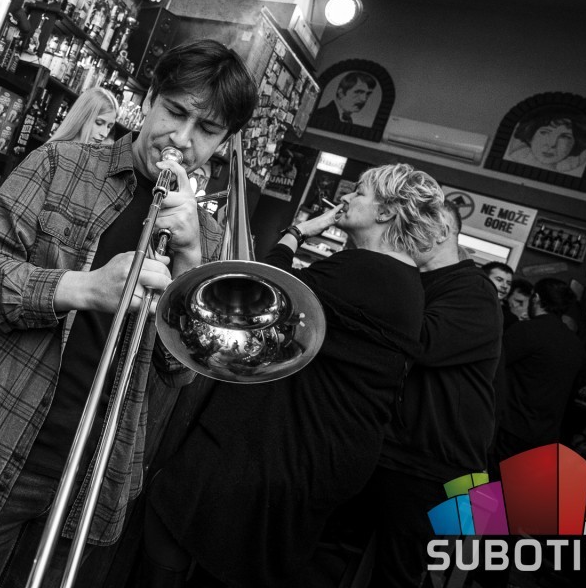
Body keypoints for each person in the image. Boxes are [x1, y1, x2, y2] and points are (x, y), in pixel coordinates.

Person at [0, 40, 258, 588]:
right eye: (175, 112)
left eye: (206, 130)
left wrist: (190, 260)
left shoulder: (206, 236)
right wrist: (84, 288)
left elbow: (181, 369)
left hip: (96, 476)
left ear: (224, 141)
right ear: (149, 100)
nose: (182, 140)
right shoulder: (60, 164)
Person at [144, 162, 446, 587]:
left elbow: (258, 289)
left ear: (385, 212)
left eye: (359, 192)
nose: (346, 197)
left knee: (177, 515)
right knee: (230, 554)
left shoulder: (363, 269)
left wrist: (299, 231)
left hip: (288, 450)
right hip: (322, 451)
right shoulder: (402, 279)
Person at [345, 200, 503, 588]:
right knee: (339, 553)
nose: (402, 236)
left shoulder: (473, 290)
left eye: (412, 228)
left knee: (395, 574)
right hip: (391, 451)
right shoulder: (419, 281)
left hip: (433, 464)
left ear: (443, 232)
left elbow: (421, 342)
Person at [493, 278, 586, 464]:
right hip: (545, 436)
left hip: (510, 427)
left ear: (535, 298)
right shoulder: (577, 346)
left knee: (486, 479)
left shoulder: (528, 330)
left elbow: (492, 366)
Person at [503, 108, 586, 175]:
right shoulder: (515, 156)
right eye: (545, 132)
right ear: (530, 135)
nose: (552, 144)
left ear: (575, 144)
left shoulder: (571, 167)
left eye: (564, 137)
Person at [49, 86, 118, 144]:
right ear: (82, 117)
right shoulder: (52, 151)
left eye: (109, 126)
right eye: (99, 123)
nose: (104, 134)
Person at [310, 70, 377, 126]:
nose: (364, 99)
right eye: (358, 92)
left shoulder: (348, 121)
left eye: (368, 94)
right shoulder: (320, 115)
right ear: (341, 92)